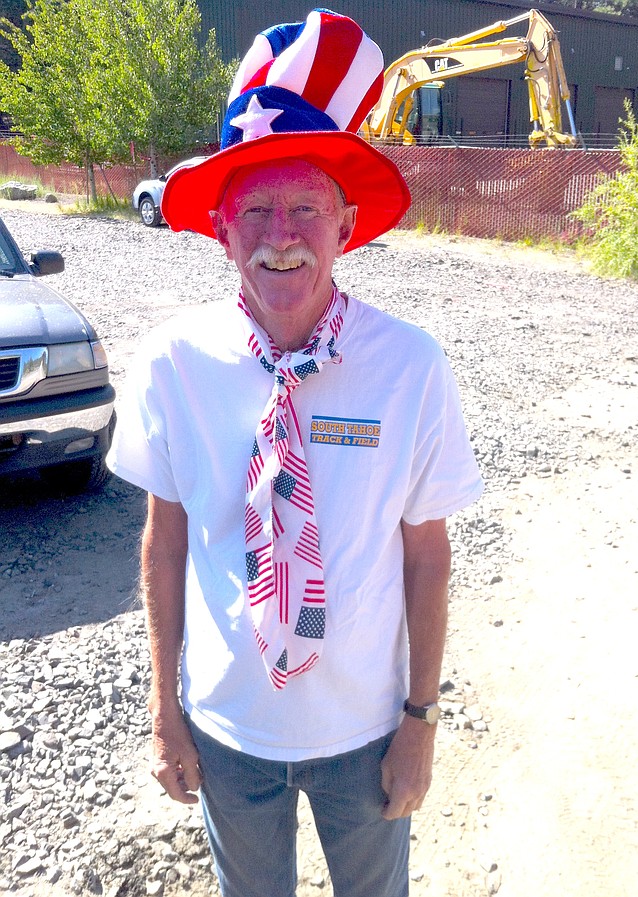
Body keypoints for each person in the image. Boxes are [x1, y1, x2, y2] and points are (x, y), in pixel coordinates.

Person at [107, 10, 483, 897]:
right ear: (222, 229)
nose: (282, 234)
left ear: (346, 227)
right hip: (229, 731)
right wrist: (167, 711)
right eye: (257, 210)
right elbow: (165, 543)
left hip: (363, 731)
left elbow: (427, 554)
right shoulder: (173, 362)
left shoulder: (409, 367)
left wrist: (420, 721)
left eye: (306, 208)